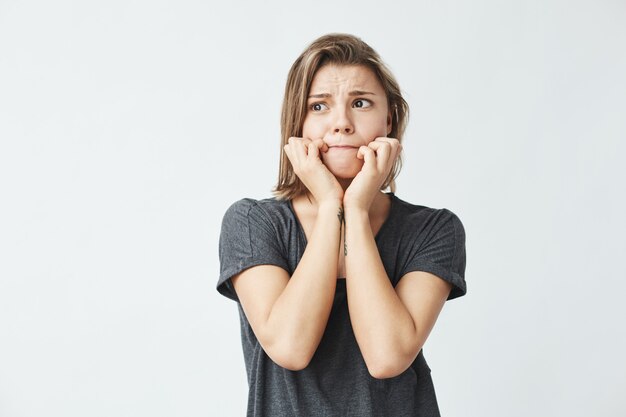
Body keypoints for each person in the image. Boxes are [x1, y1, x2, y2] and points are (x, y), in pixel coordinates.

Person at [217, 33, 466, 417]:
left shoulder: (433, 229)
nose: (342, 124)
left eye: (360, 103)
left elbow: (387, 356)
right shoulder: (252, 222)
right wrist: (335, 202)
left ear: (389, 118)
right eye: (319, 106)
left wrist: (357, 211)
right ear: (296, 122)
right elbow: (290, 346)